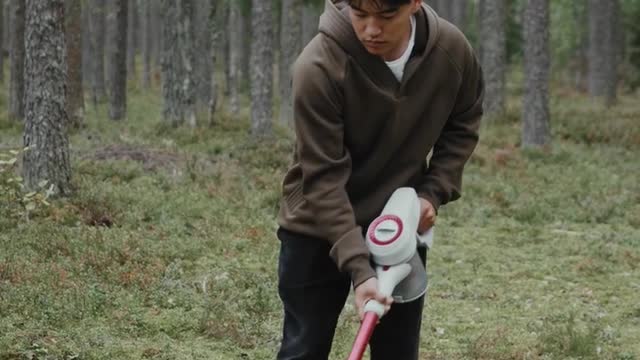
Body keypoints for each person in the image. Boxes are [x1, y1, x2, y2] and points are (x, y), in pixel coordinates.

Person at [275, 0, 484, 358]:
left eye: (387, 16)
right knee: (303, 348)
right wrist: (360, 270)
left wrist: (432, 193)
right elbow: (323, 180)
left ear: (414, 3)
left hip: (396, 225)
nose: (372, 29)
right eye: (360, 15)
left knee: (397, 352)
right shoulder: (319, 67)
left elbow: (464, 122)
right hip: (316, 227)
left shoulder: (451, 51)